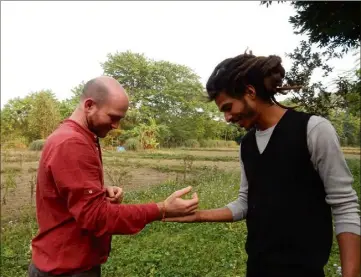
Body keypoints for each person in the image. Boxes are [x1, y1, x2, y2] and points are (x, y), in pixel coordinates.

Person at [166, 53, 361, 277]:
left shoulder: (313, 130)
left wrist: (351, 273)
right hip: (258, 269)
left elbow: (344, 206)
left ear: (250, 92)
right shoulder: (247, 145)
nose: (227, 118)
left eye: (228, 107)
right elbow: (245, 203)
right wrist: (198, 216)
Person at [28, 76, 199, 277]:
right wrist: (161, 209)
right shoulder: (72, 143)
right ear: (89, 105)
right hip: (66, 269)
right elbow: (96, 218)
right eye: (113, 117)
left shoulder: (75, 136)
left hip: (63, 261)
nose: (116, 126)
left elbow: (71, 196)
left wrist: (98, 192)